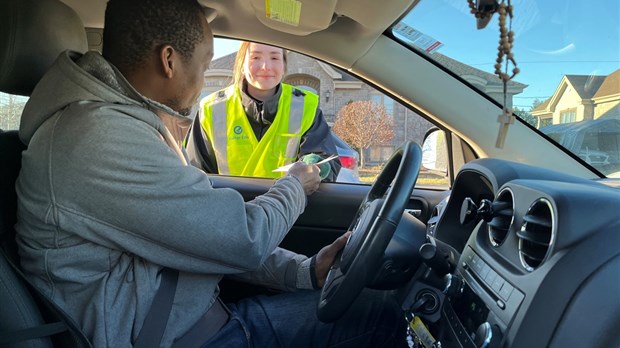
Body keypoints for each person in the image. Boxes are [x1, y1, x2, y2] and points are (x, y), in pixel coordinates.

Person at [15, 0, 405, 346]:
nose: (203, 79)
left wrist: (305, 272)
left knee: (375, 307)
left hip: (196, 318)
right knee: (387, 315)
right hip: (184, 335)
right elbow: (240, 238)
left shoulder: (122, 126)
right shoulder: (96, 136)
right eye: (203, 65)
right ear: (169, 61)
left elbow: (205, 234)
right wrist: (296, 187)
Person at [185, 41, 342, 182]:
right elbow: (194, 174)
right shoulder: (212, 109)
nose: (266, 66)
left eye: (274, 58)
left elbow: (326, 161)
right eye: (256, 57)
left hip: (288, 208)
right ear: (242, 63)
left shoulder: (305, 106)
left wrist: (315, 166)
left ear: (284, 65)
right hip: (230, 209)